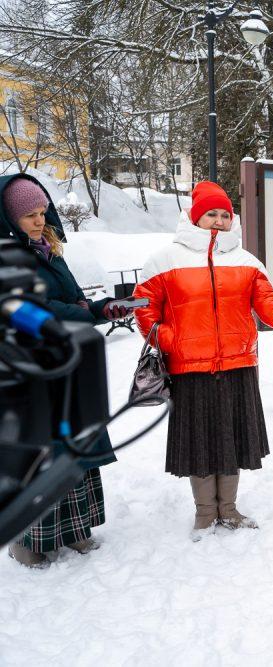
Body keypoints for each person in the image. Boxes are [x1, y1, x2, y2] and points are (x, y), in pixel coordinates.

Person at [133, 181, 273, 540]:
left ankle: (230, 508)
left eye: (225, 214)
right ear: (196, 217)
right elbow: (145, 312)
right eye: (211, 214)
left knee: (232, 439)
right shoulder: (164, 260)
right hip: (190, 369)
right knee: (201, 441)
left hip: (238, 366)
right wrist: (174, 341)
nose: (219, 221)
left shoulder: (245, 261)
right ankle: (206, 512)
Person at [1, 174, 126, 568]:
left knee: (74, 446)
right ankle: (29, 542)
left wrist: (100, 305)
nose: (39, 221)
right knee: (42, 454)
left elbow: (69, 297)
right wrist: (88, 312)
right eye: (28, 215)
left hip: (67, 363)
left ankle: (74, 529)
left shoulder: (50, 250)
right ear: (7, 217)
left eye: (41, 212)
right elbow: (33, 310)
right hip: (30, 369)